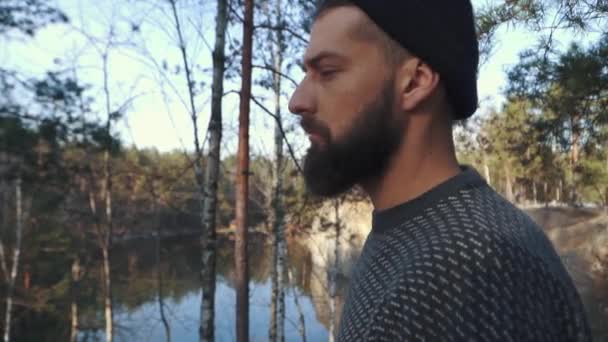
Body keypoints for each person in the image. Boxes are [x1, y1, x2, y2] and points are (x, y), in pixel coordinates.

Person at [288, 0, 591, 341]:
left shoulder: (474, 267)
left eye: (327, 72)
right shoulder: (408, 232)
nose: (297, 100)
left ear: (415, 82)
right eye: (306, 73)